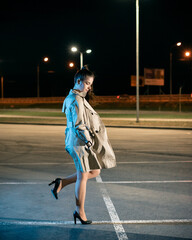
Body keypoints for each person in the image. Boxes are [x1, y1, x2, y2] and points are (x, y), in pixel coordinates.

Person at [49, 66, 116, 225]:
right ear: (78, 81)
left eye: (90, 84)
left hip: (79, 141)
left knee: (95, 171)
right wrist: (89, 141)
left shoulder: (75, 97)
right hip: (80, 142)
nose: (89, 87)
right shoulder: (76, 100)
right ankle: (80, 212)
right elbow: (79, 125)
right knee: (83, 177)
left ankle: (62, 183)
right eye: (87, 83)